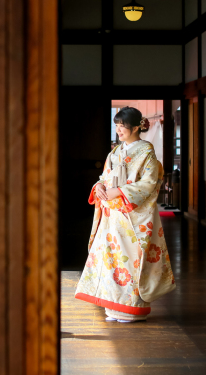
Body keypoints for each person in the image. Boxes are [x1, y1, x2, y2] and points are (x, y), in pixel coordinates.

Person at [74, 107, 176, 322]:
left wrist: (118, 191)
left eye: (123, 125)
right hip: (112, 216)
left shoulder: (146, 151)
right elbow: (105, 176)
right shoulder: (115, 151)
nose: (118, 129)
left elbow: (149, 183)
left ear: (137, 126)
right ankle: (113, 307)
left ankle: (132, 309)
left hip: (132, 216)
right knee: (111, 260)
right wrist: (100, 186)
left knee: (130, 261)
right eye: (117, 125)